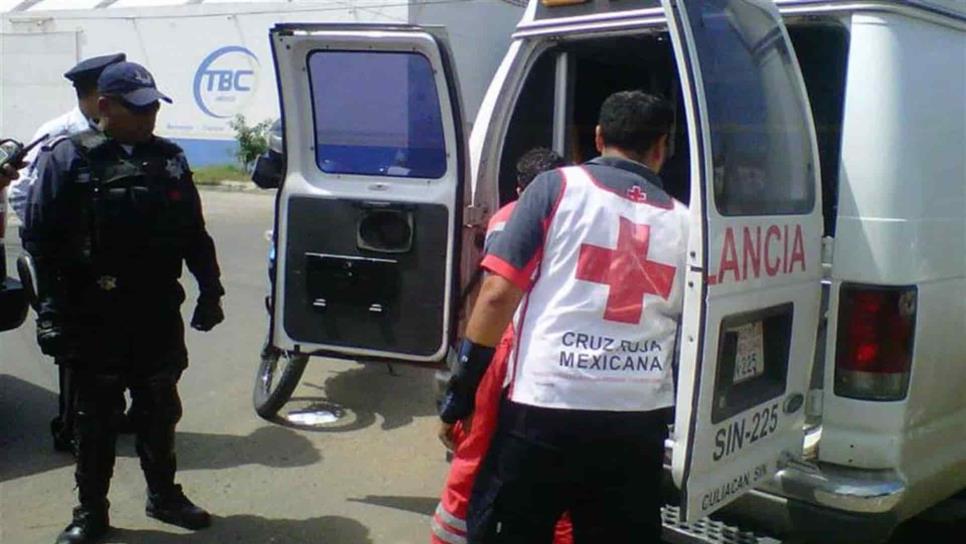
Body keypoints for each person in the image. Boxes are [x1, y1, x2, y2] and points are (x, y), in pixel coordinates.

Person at [438, 91, 687, 543]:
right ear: (661, 149)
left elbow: (496, 298)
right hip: (638, 420)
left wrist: (461, 395)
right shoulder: (686, 221)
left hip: (546, 411)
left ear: (598, 137)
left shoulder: (556, 188)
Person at [22, 61, 225, 544]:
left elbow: (194, 234)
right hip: (92, 314)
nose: (149, 117)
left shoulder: (170, 160)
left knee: (159, 409)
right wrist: (48, 314)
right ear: (105, 107)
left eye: (153, 107)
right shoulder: (67, 159)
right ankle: (90, 511)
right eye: (138, 109)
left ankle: (165, 496)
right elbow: (41, 246)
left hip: (155, 311)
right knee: (95, 421)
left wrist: (210, 291)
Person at [432, 148, 571, 544]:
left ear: (518, 187)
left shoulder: (507, 218)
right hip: (560, 358)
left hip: (504, 346)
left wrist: (459, 393)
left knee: (474, 449)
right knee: (557, 467)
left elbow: (495, 297)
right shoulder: (586, 217)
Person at [6, 53, 127, 453]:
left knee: (115, 339)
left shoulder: (117, 131)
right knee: (74, 347)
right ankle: (71, 423)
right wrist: (54, 248)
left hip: (111, 261)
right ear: (94, 96)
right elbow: (23, 194)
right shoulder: (57, 135)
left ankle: (111, 413)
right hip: (68, 263)